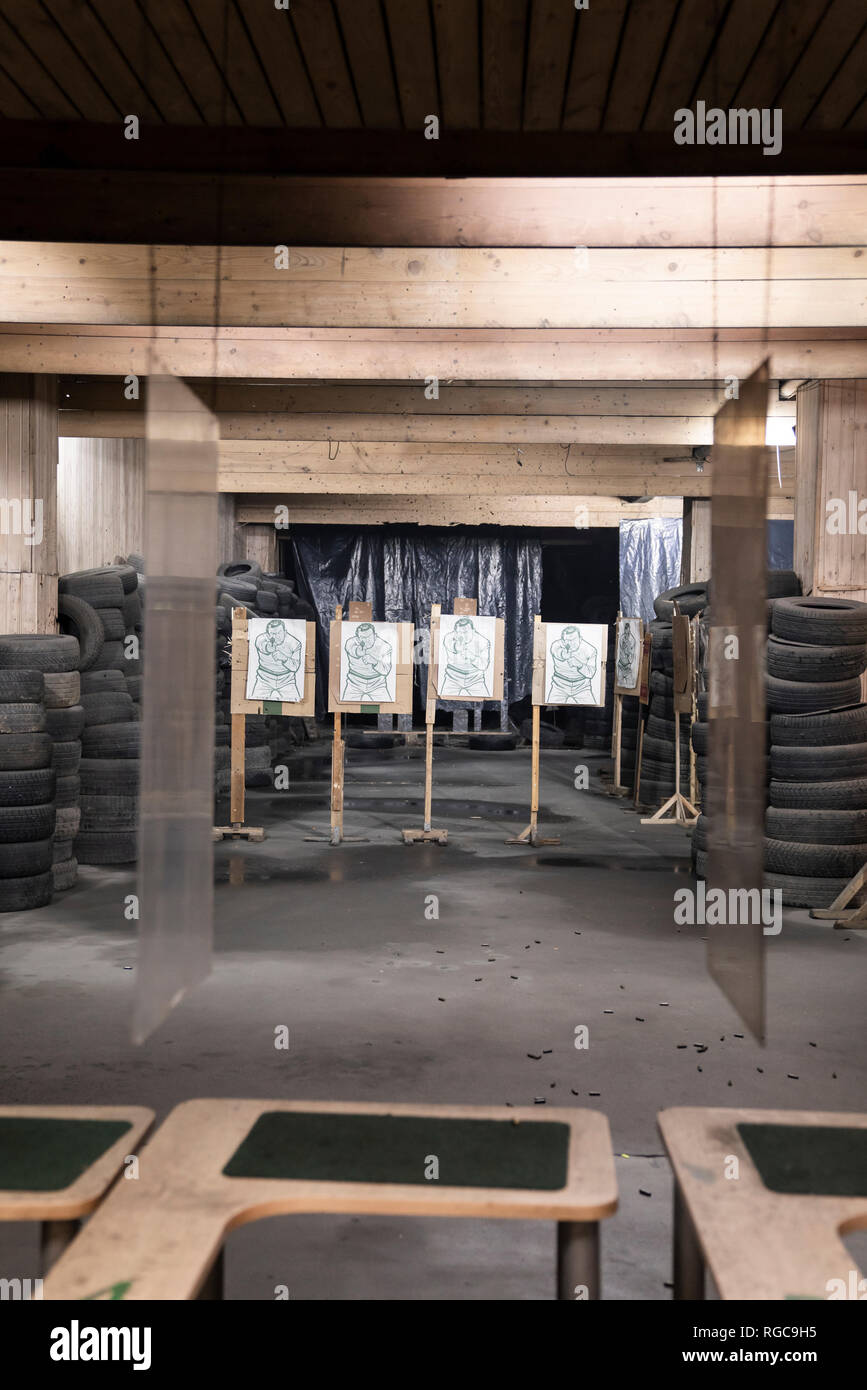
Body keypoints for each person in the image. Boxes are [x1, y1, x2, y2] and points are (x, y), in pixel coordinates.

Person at [251, 619, 302, 701]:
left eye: (279, 633)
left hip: (287, 680)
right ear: (268, 634)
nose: (276, 636)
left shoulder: (294, 643)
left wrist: (284, 659)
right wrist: (268, 648)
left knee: (297, 704)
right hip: (264, 679)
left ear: (285, 632)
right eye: (273, 634)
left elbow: (295, 667)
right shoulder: (261, 638)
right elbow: (261, 645)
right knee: (253, 703)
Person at [440, 616, 492, 697]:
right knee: (442, 701)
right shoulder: (449, 637)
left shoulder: (483, 642)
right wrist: (457, 647)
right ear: (455, 632)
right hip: (452, 677)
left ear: (473, 631)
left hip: (475, 679)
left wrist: (472, 657)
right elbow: (452, 646)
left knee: (487, 702)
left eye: (465, 632)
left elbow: (484, 665)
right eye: (458, 632)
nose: (462, 635)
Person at [341, 622, 393, 701]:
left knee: (388, 707)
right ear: (358, 638)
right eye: (363, 637)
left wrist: (374, 662)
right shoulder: (351, 642)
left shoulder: (385, 646)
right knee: (344, 707)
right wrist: (359, 652)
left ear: (375, 636)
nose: (366, 640)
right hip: (354, 683)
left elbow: (386, 670)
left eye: (369, 637)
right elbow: (352, 649)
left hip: (378, 684)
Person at [547, 625, 598, 703]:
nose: (571, 643)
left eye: (574, 639)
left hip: (582, 687)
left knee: (594, 709)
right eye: (567, 640)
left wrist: (579, 665)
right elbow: (557, 652)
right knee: (550, 709)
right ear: (563, 641)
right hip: (559, 685)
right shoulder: (556, 645)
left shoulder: (590, 650)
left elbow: (591, 673)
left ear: (580, 639)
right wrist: (564, 655)